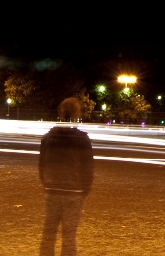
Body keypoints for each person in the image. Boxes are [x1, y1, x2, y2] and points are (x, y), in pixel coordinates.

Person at [40, 98, 94, 256]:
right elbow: (87, 167)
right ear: (77, 114)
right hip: (73, 191)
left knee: (48, 234)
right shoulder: (82, 139)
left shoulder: (48, 137)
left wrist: (46, 183)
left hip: (52, 189)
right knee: (69, 237)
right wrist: (84, 189)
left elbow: (42, 163)